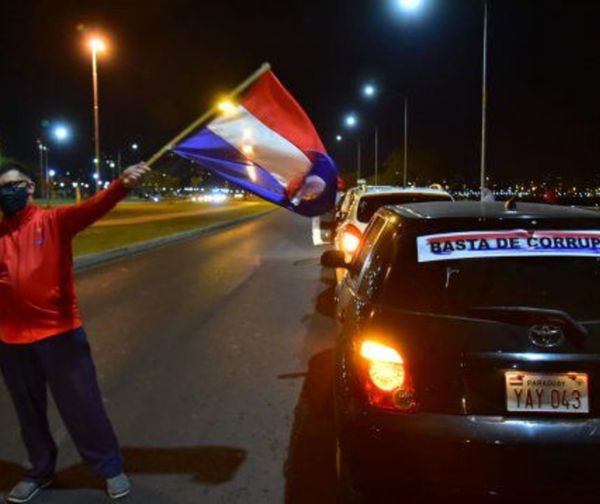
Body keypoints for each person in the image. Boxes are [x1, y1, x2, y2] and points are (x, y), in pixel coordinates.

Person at [0, 160, 150, 503]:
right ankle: (40, 471)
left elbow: (93, 207)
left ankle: (109, 468)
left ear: (30, 188)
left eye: (15, 184)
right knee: (28, 413)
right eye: (2, 187)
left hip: (60, 335)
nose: (8, 192)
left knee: (83, 405)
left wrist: (121, 185)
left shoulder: (54, 221)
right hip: (11, 342)